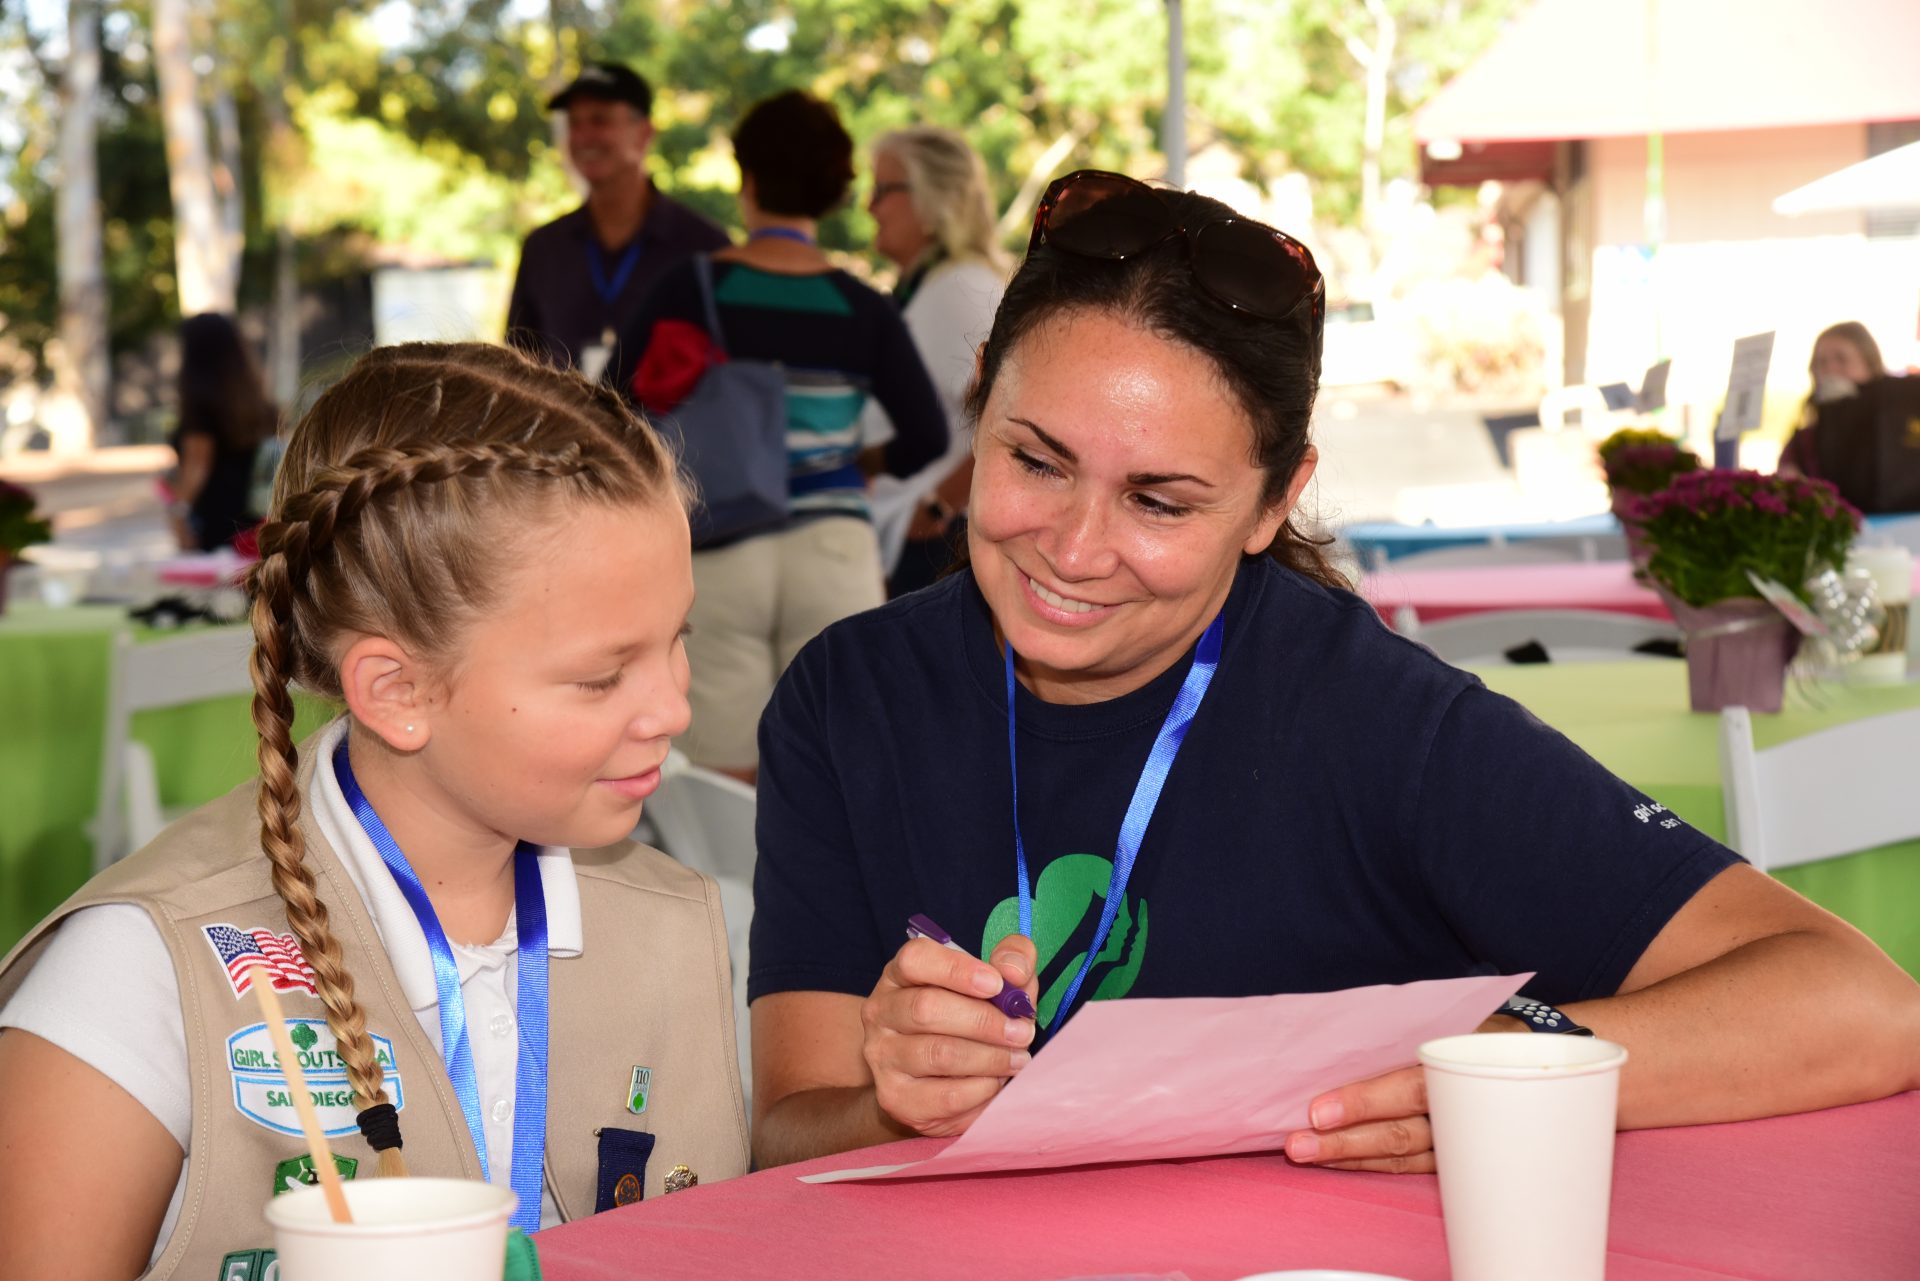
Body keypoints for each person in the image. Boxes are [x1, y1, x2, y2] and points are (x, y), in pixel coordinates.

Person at [745, 171, 1920, 1171]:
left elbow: (1860, 1002)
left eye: (1160, 500)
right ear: (979, 411)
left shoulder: (1378, 725)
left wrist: (1509, 1063)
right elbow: (789, 1130)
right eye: (1036, 460)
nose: (1074, 547)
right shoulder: (847, 699)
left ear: (1274, 503)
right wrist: (890, 1100)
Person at [0, 343, 749, 1279]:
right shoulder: (146, 970)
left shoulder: (677, 919)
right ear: (396, 692)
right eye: (602, 676)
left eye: (676, 640)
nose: (673, 709)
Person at [613, 90, 948, 781]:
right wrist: (859, 461)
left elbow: (611, 411)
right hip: (834, 549)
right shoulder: (863, 305)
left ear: (750, 180)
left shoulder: (692, 286)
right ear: (830, 191)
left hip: (715, 545)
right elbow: (927, 432)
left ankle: (732, 893)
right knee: (837, 769)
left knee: (723, 775)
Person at [506, 62, 729, 379]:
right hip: (563, 428)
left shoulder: (703, 248)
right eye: (574, 123)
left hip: (670, 429)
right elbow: (516, 367)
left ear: (644, 134)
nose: (583, 137)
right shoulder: (544, 247)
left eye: (600, 120)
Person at [858, 127, 1007, 596]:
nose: (869, 206)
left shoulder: (962, 287)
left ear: (931, 199)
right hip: (904, 535)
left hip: (932, 543)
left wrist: (940, 506)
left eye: (884, 190)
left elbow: (1007, 415)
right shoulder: (931, 285)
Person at [167, 313, 278, 552]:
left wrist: (178, 513)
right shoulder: (254, 400)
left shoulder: (201, 403)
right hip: (254, 520)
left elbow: (198, 464)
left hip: (214, 522)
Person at [1777, 321, 1887, 479]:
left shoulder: (1895, 435)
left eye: (1841, 360)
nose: (1830, 370)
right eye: (1821, 362)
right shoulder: (1803, 443)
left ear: (1870, 366)